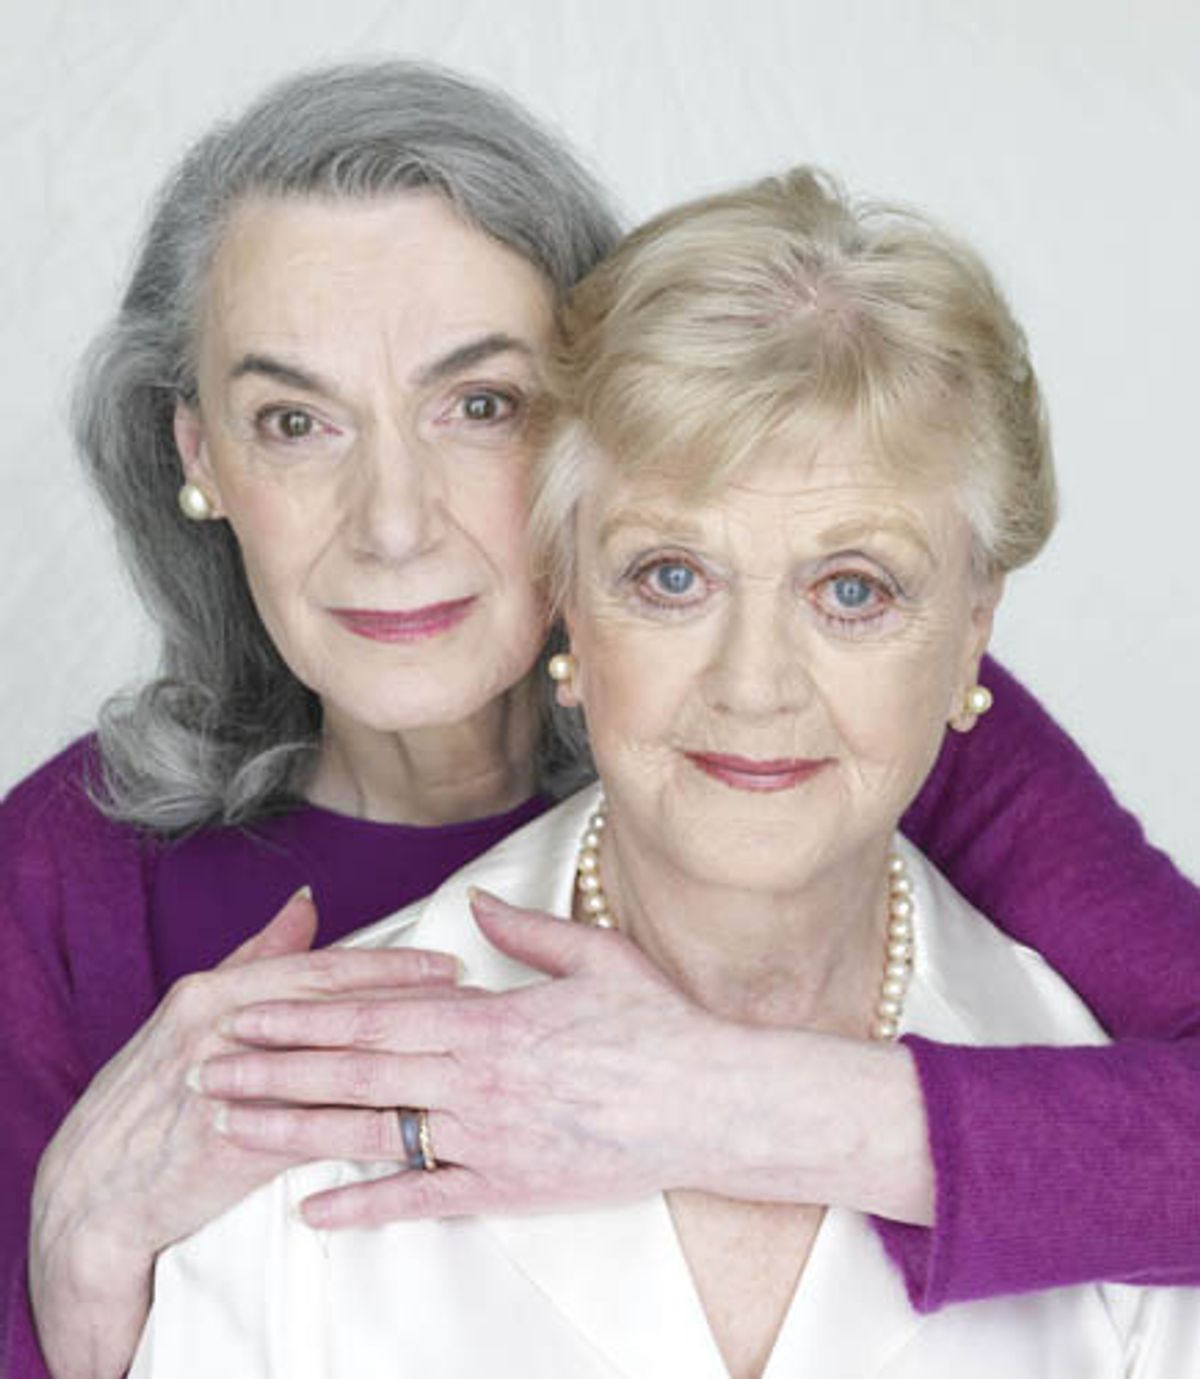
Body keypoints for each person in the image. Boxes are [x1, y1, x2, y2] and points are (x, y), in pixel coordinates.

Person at [2, 58, 1198, 1379]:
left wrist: (716, 1103)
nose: (394, 525)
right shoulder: (63, 876)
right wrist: (83, 1254)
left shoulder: (866, 723)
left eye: (480, 406)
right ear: (199, 459)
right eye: (295, 420)